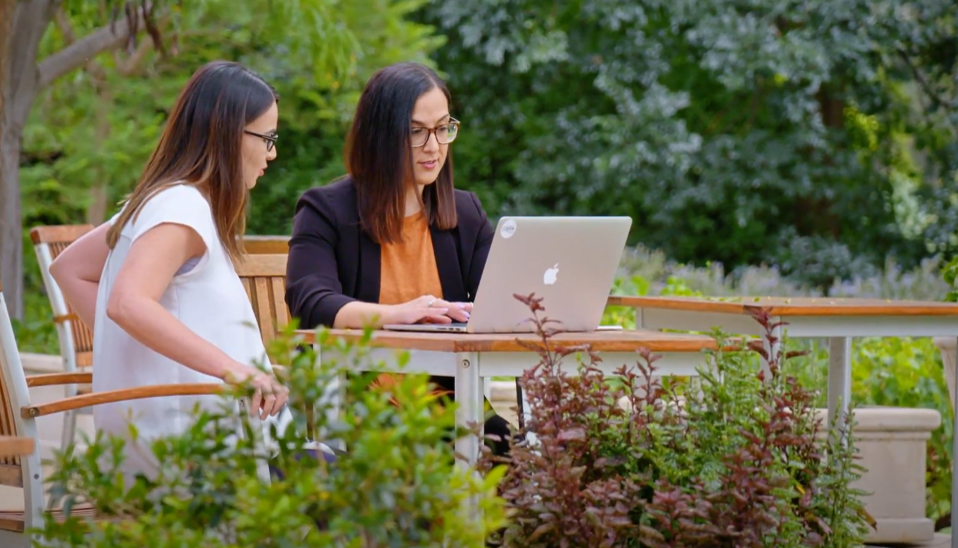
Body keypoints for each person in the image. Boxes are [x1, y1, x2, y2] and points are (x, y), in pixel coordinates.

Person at [49, 60, 317, 481]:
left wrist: (143, 353)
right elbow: (127, 303)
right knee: (384, 493)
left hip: (175, 438)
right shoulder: (181, 206)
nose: (272, 153)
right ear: (229, 134)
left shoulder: (157, 202)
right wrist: (237, 369)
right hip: (198, 454)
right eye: (267, 138)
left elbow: (69, 269)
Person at [285, 61, 513, 456]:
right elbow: (311, 302)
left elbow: (501, 300)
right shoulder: (326, 210)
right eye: (416, 132)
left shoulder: (465, 213)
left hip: (449, 402)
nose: (433, 146)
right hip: (362, 403)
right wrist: (400, 314)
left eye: (443, 128)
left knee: (518, 457)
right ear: (380, 136)